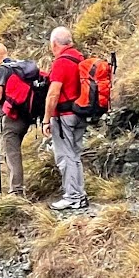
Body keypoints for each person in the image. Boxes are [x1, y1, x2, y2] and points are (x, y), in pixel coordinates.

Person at [44, 26, 89, 211]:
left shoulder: (61, 62)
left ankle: (72, 197)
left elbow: (53, 93)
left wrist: (46, 119)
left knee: (65, 157)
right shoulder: (80, 58)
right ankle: (80, 195)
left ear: (54, 44)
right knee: (75, 156)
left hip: (64, 117)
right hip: (80, 113)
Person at [0, 42, 31, 196]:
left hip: (13, 117)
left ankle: (16, 191)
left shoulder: (2, 69)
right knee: (14, 150)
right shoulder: (18, 65)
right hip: (28, 114)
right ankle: (17, 188)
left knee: (12, 153)